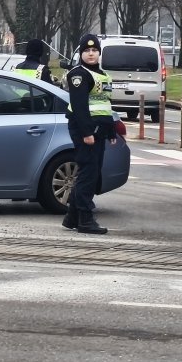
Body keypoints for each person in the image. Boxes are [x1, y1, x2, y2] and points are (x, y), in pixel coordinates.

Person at [63, 34, 116, 235]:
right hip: (85, 129)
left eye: (94, 50)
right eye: (87, 50)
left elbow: (105, 104)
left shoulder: (100, 74)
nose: (91, 53)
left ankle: (72, 218)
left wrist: (110, 129)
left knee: (90, 173)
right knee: (88, 174)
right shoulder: (79, 74)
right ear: (81, 53)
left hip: (99, 129)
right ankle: (85, 219)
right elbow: (79, 106)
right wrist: (86, 132)